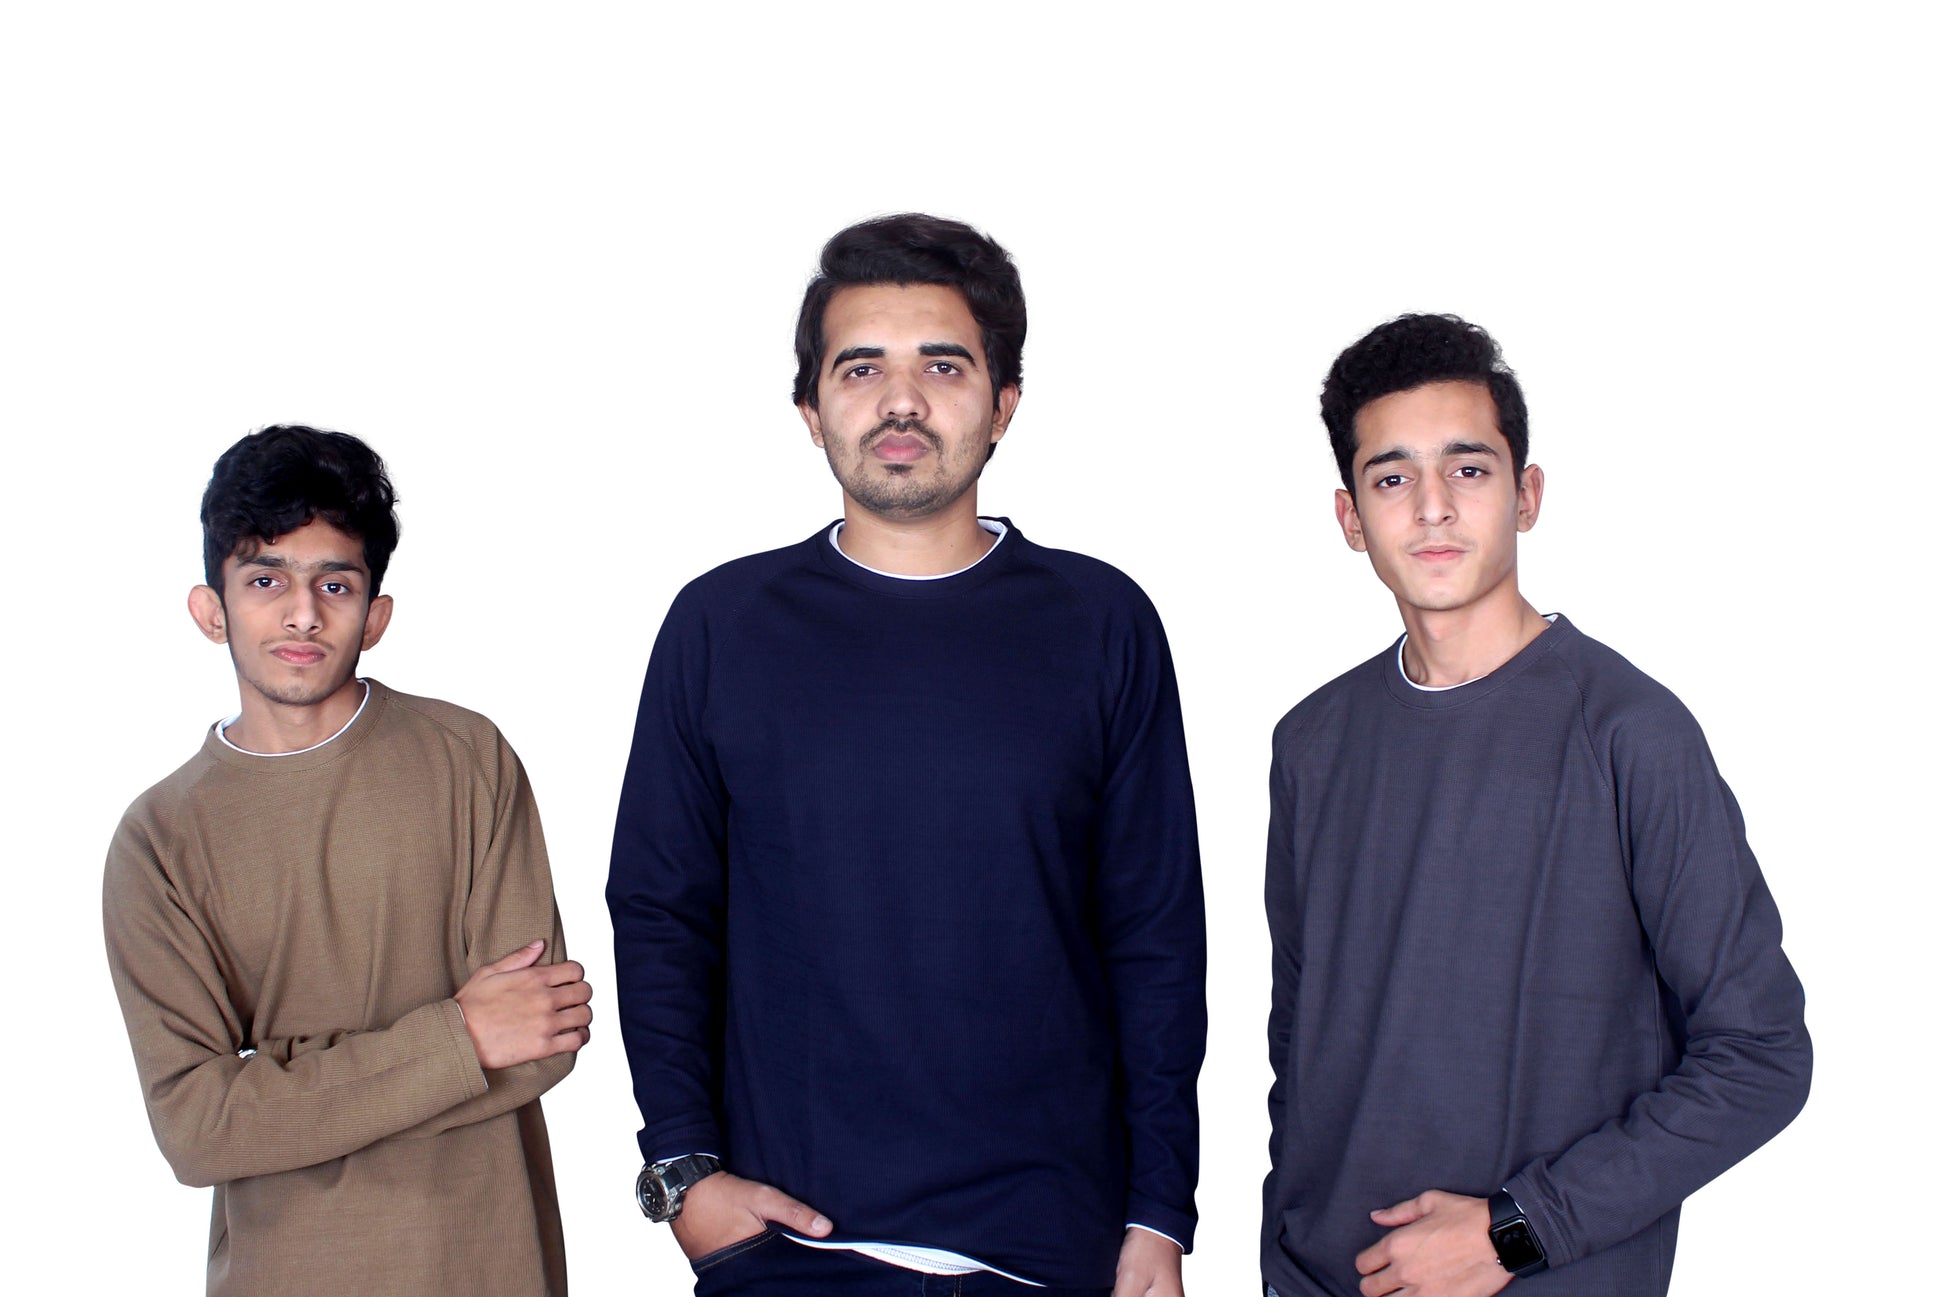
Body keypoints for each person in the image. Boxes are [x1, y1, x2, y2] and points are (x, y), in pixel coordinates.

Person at [608, 213, 1205, 1297]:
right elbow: (661, 911)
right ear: (810, 409)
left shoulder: (1101, 622)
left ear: (1003, 403)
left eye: (942, 365)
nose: (900, 400)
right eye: (860, 367)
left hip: (1051, 1252)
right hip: (790, 1253)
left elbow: (1155, 935)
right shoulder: (720, 625)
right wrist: (683, 1170)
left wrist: (1158, 1215)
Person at [1260, 314, 1811, 1297]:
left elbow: (1760, 1054)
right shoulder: (1311, 742)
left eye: (1467, 469)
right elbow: (1301, 1042)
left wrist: (1517, 1230)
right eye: (1392, 478)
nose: (1433, 507)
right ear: (1349, 517)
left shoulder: (1630, 733)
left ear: (1526, 495)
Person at [103, 425, 592, 1296]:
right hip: (282, 1272)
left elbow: (540, 1038)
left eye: (335, 583)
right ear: (210, 609)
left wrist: (280, 1092)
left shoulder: (468, 758)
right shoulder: (160, 839)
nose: (303, 614)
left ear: (376, 614)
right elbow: (198, 1129)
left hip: (484, 1264)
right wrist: (459, 1036)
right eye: (266, 580)